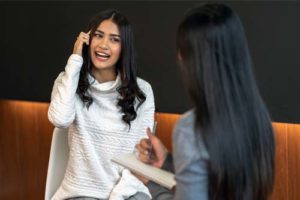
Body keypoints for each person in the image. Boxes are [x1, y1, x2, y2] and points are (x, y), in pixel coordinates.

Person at [136, 3, 275, 200]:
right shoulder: (259, 117)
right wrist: (168, 161)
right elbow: (218, 179)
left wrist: (152, 185)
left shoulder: (191, 128)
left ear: (192, 60)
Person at [48, 9, 154, 200]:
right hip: (81, 193)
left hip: (127, 192)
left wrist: (117, 196)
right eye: (98, 35)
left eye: (114, 39)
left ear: (124, 48)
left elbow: (141, 158)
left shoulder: (142, 92)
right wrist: (75, 60)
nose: (104, 45)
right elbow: (60, 120)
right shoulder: (68, 82)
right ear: (87, 40)